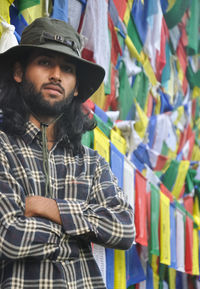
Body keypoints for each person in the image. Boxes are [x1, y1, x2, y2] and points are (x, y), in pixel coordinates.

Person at [0, 17, 135, 289]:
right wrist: (82, 233)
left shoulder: (91, 162)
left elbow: (123, 229)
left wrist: (47, 207)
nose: (56, 75)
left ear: (75, 89)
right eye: (45, 62)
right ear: (18, 72)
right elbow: (9, 237)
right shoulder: (3, 147)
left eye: (67, 68)